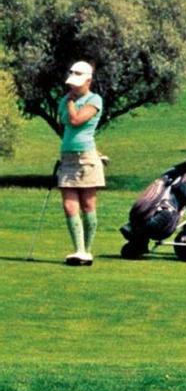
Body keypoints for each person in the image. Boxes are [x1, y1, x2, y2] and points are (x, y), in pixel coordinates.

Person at [58, 61, 104, 266]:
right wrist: (68, 101)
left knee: (88, 204)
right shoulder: (64, 100)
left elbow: (76, 120)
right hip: (67, 157)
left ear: (88, 80)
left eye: (77, 83)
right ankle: (79, 250)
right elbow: (64, 123)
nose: (73, 87)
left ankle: (87, 250)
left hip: (86, 157)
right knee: (69, 206)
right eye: (71, 83)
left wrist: (69, 102)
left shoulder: (94, 100)